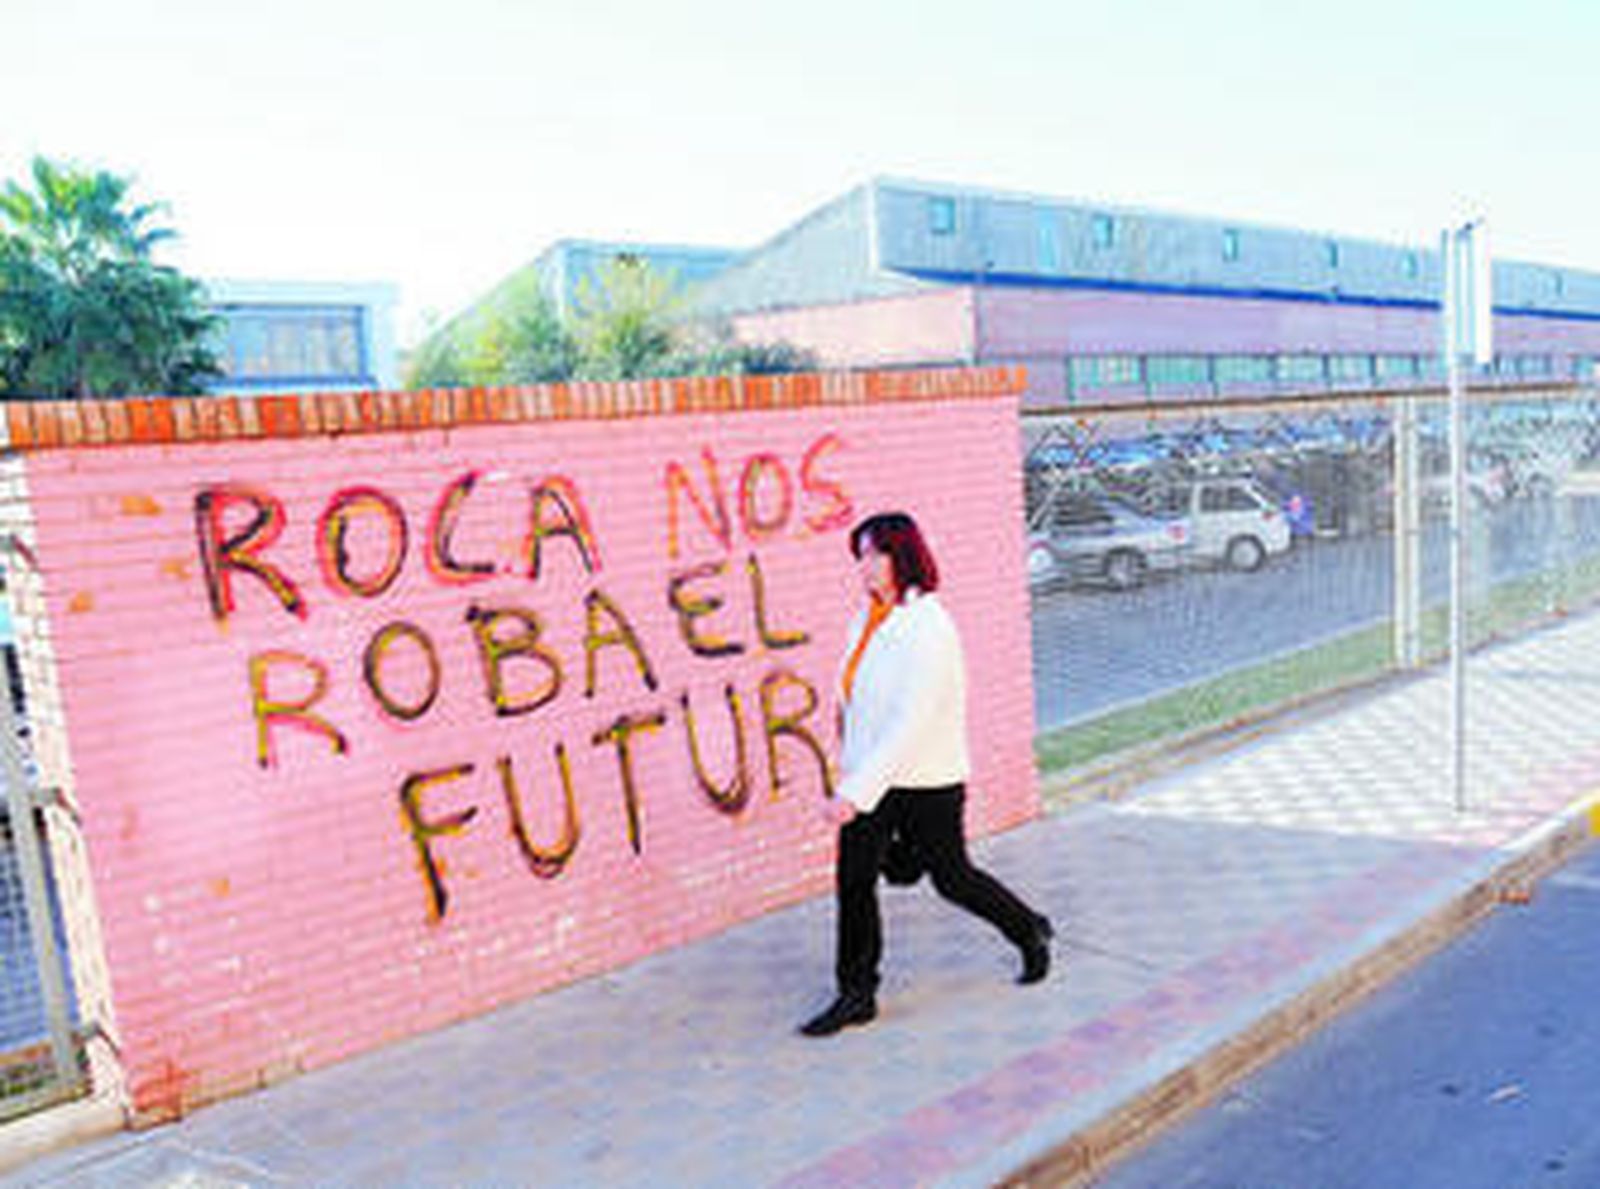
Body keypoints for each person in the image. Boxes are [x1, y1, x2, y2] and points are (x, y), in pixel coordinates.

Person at [799, 512, 1053, 1038]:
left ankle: (1028, 929)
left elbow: (910, 721)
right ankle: (857, 993)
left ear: (903, 556)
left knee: (952, 878)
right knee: (853, 880)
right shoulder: (867, 618)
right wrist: (850, 760)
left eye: (875, 555)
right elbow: (858, 696)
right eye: (861, 556)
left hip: (926, 780)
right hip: (872, 776)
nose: (864, 567)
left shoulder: (928, 626)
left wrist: (853, 793)